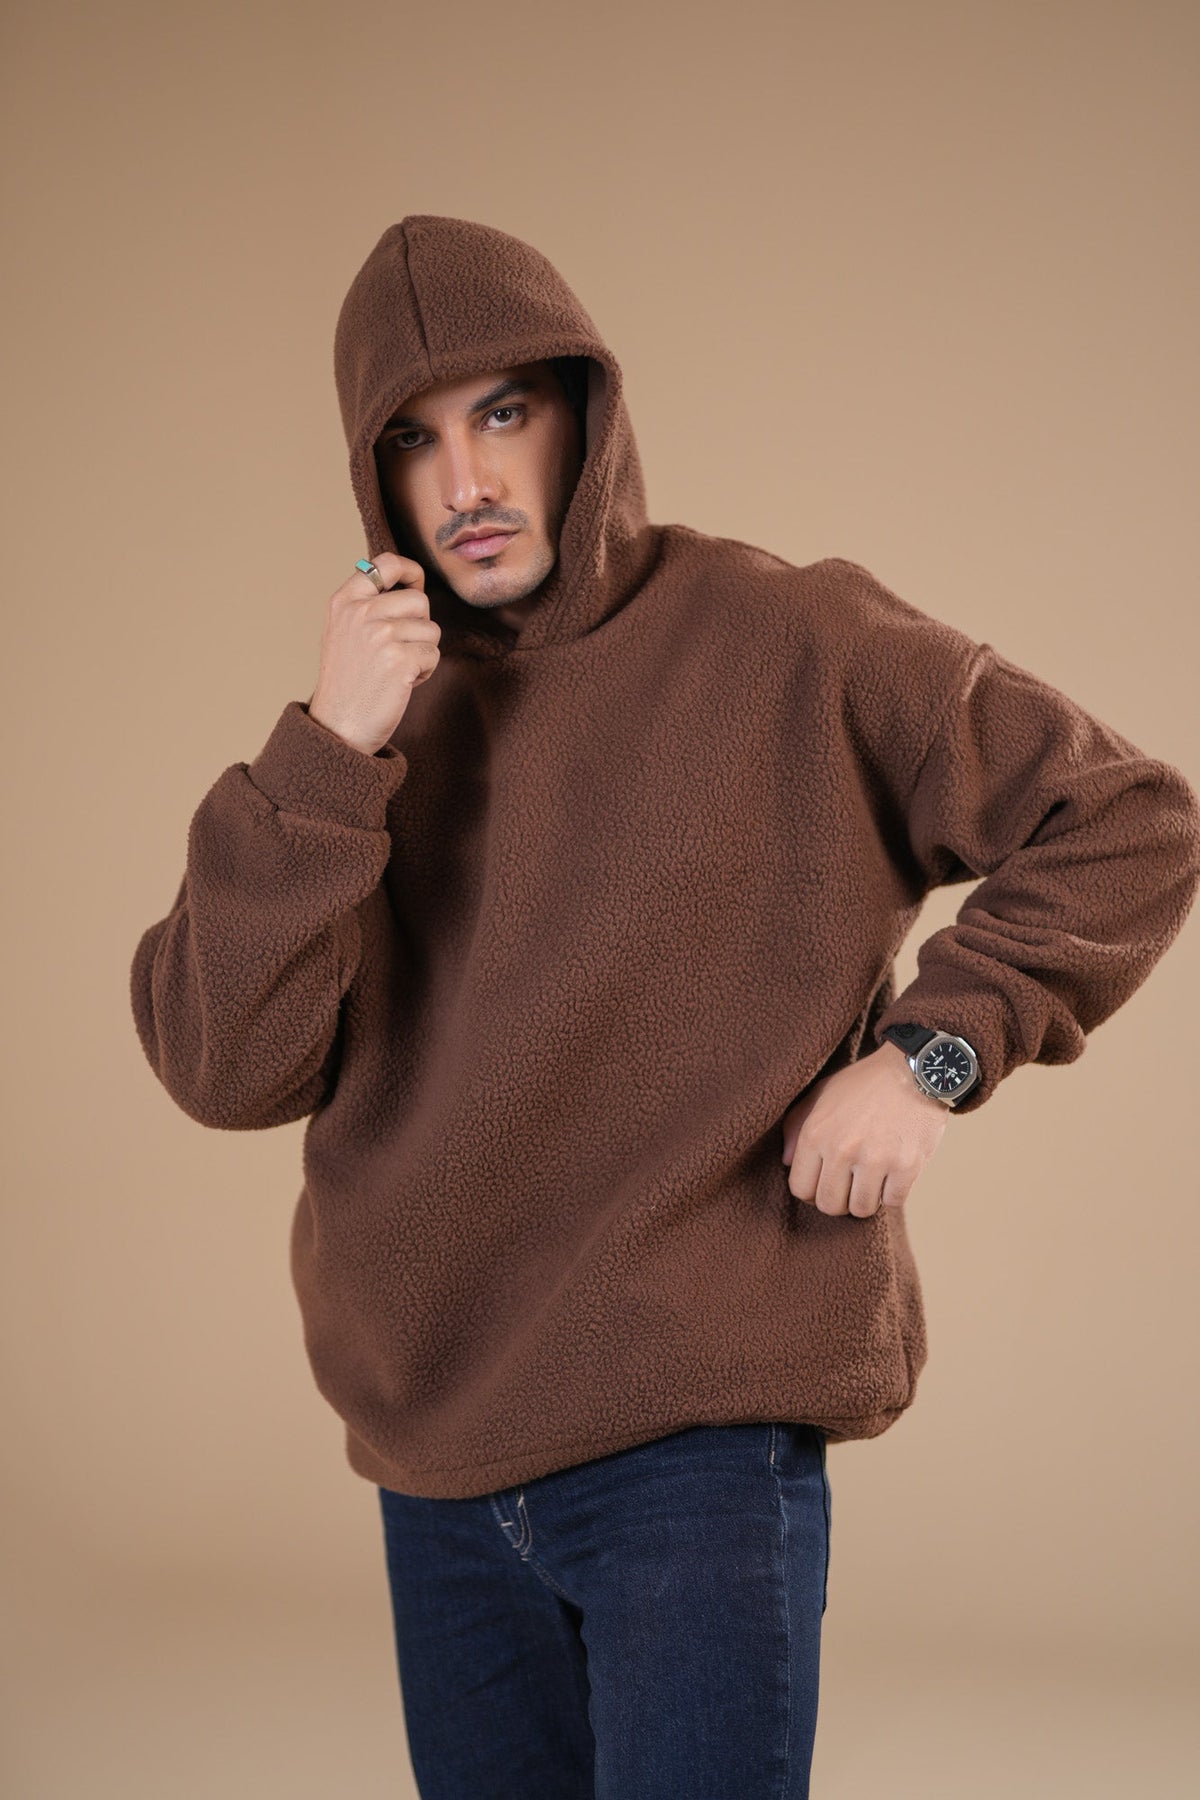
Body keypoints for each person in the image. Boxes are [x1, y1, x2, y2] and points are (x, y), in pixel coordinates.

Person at [129, 214, 1200, 1799]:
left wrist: (933, 1055)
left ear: (584, 414)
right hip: (436, 1463)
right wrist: (329, 751)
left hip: (691, 1451)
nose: (466, 481)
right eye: (414, 439)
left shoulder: (790, 637)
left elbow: (1127, 817)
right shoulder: (366, 735)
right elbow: (224, 1066)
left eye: (504, 412)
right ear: (372, 477)